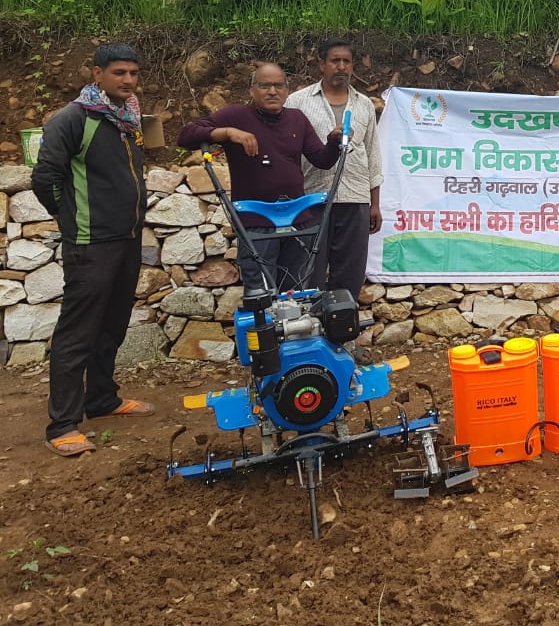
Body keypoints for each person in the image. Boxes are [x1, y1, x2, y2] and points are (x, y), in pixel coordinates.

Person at [32, 43, 152, 457]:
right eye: (119, 73)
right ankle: (61, 424)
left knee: (113, 324)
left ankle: (102, 399)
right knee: (78, 332)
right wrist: (73, 221)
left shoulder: (125, 118)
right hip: (90, 243)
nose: (128, 80)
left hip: (126, 238)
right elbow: (45, 177)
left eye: (133, 73)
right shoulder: (72, 119)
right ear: (97, 74)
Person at [177, 63, 342, 297]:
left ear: (287, 90)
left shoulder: (297, 118)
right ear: (251, 90)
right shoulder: (236, 115)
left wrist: (334, 141)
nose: (272, 91)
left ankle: (294, 333)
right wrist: (227, 133)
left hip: (297, 220)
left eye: (278, 85)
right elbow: (186, 135)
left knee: (296, 294)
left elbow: (322, 160)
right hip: (257, 222)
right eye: (264, 86)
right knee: (261, 295)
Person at [285, 39, 382, 301]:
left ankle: (343, 330)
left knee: (350, 271)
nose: (341, 66)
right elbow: (288, 149)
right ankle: (311, 329)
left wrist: (374, 203)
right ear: (321, 64)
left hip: (355, 198)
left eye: (346, 61)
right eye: (334, 60)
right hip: (311, 197)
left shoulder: (363, 105)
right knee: (309, 268)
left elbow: (372, 153)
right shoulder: (298, 101)